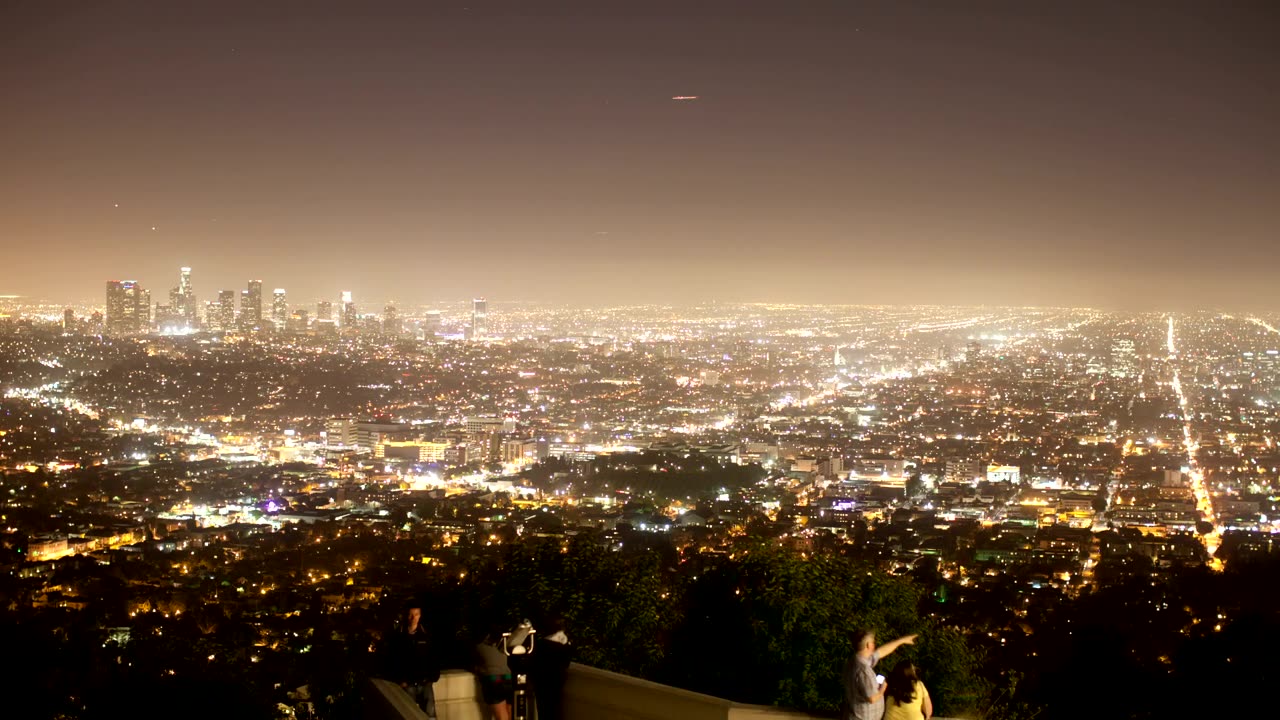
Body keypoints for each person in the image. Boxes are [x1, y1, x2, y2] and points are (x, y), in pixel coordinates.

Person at [841, 629, 917, 720]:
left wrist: (901, 641)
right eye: (873, 642)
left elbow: (880, 652)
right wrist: (883, 688)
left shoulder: (854, 660)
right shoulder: (864, 670)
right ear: (868, 645)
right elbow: (872, 698)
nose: (874, 644)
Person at [386, 602, 441, 720]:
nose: (413, 617)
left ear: (420, 616)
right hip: (407, 682)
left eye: (416, 614)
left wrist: (432, 677)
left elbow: (433, 657)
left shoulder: (426, 635)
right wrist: (400, 679)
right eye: (411, 614)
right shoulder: (398, 636)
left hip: (425, 681)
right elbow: (393, 659)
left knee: (430, 714)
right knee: (409, 713)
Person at [531, 617, 572, 720]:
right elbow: (566, 662)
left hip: (542, 681)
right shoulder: (563, 644)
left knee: (544, 709)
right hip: (556, 680)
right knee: (555, 709)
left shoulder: (541, 644)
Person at [475, 625, 513, 720]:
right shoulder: (503, 644)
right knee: (509, 714)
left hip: (493, 680)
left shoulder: (479, 646)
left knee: (501, 716)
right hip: (508, 678)